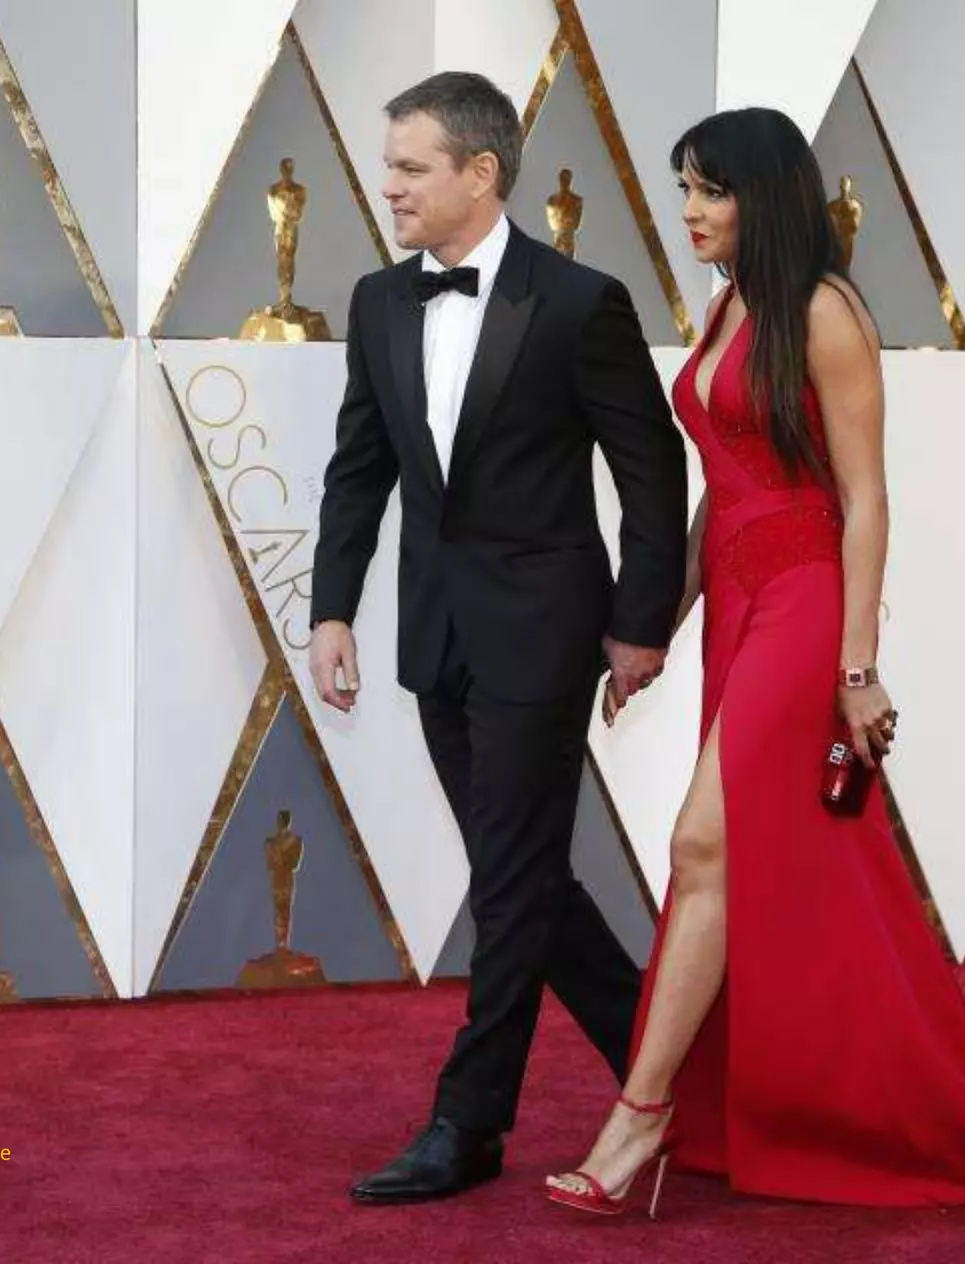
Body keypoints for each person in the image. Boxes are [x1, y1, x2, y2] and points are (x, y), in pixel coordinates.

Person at [545, 107, 965, 1228]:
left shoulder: (823, 312)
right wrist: (658, 618)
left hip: (806, 600)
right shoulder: (729, 306)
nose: (691, 213)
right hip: (740, 599)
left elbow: (864, 496)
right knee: (743, 855)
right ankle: (698, 1107)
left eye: (709, 191)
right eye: (684, 193)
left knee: (703, 837)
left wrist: (857, 669)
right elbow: (729, 479)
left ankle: (642, 1113)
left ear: (767, 194)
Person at [307, 72, 688, 1204]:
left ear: (482, 172)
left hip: (544, 629)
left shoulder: (578, 301)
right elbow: (357, 468)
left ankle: (467, 1124)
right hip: (434, 629)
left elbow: (651, 470)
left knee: (511, 880)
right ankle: (665, 1066)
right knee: (518, 875)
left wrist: (638, 623)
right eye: (389, 168)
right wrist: (332, 607)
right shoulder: (379, 301)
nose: (390, 188)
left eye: (412, 167)